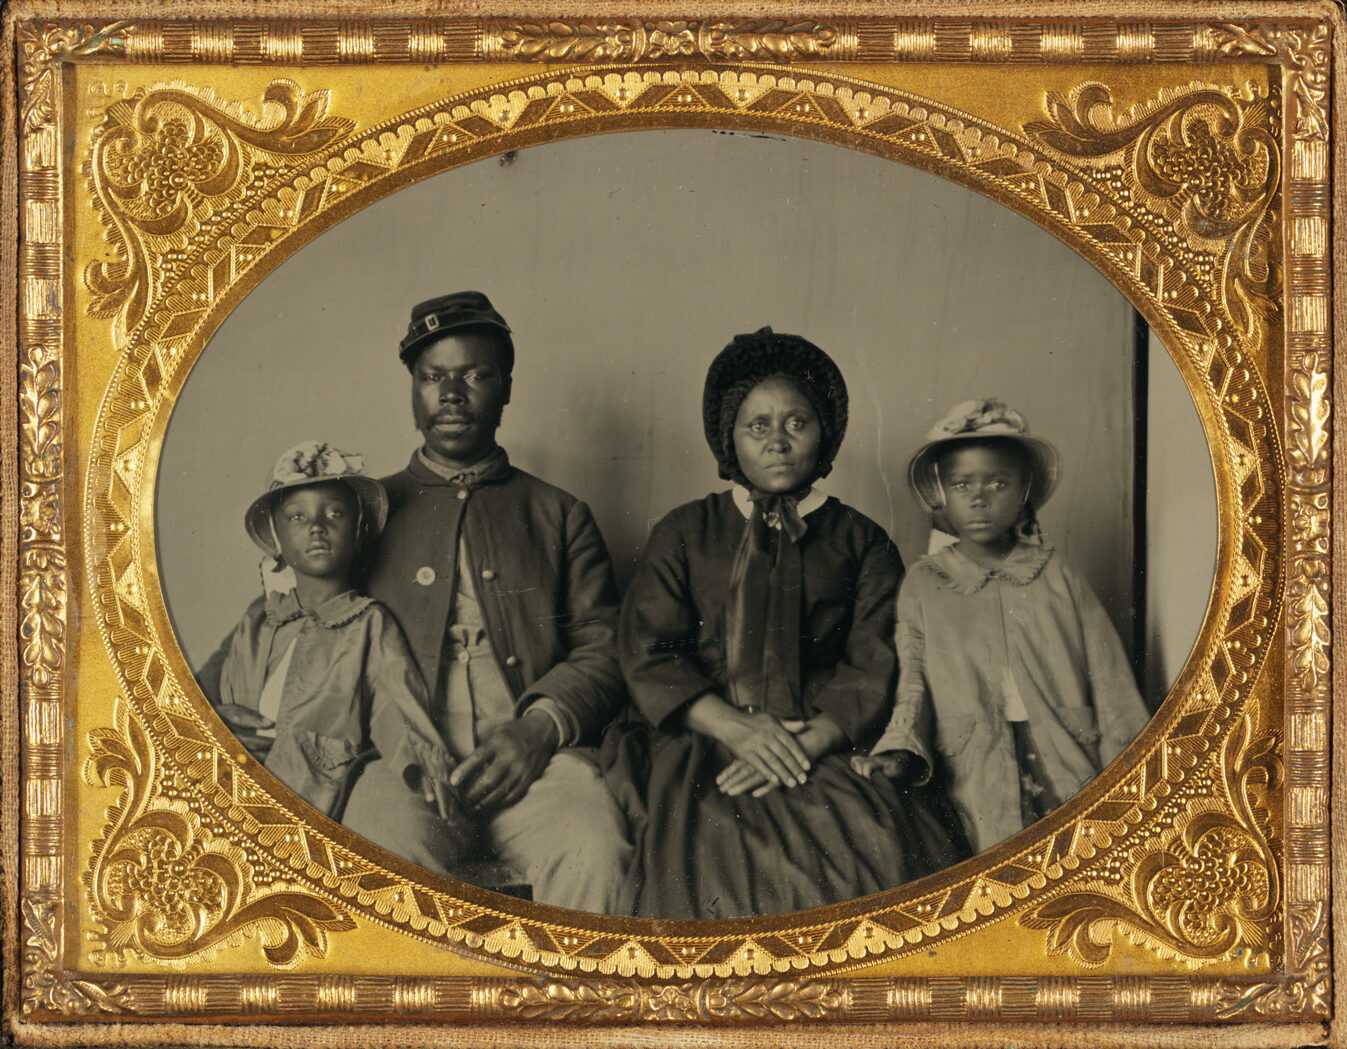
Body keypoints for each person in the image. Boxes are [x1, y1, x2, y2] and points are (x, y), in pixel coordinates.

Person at [607, 327, 968, 919]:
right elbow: (650, 652)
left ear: (824, 433)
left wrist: (812, 740)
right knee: (704, 866)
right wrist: (735, 728)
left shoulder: (860, 541)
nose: (778, 442)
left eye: (797, 424)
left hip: (821, 740)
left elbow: (876, 657)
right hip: (706, 738)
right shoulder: (683, 532)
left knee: (871, 851)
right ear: (730, 437)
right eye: (758, 426)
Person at [341, 291, 631, 913]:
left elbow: (605, 647)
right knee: (378, 854)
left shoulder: (558, 514)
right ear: (413, 390)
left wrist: (537, 728)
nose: (452, 393)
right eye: (433, 377)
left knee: (595, 847)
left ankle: (578, 1010)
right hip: (401, 763)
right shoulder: (364, 514)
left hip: (536, 762)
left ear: (505, 389)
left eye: (475, 375)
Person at [852, 399, 1152, 854]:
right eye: (962, 484)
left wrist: (1131, 775)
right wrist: (898, 748)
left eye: (998, 483)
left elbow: (1110, 681)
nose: (979, 497)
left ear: (1024, 492)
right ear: (942, 495)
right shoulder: (925, 583)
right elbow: (913, 682)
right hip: (973, 765)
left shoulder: (1056, 575)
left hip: (1067, 754)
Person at [200, 440, 473, 866]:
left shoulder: (367, 623)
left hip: (318, 787)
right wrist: (217, 719)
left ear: (358, 530)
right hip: (240, 783)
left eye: (335, 514)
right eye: (297, 517)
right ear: (276, 537)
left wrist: (422, 765)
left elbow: (396, 706)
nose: (317, 527)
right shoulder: (259, 620)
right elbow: (205, 695)